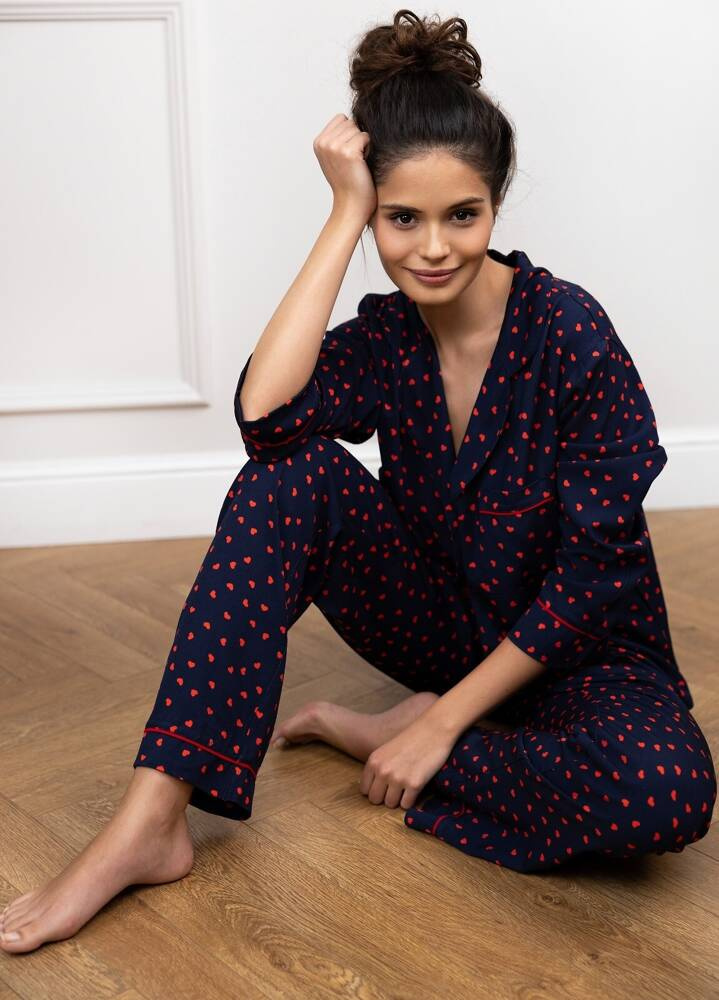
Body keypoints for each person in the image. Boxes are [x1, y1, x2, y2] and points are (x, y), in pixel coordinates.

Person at [1, 8, 715, 955]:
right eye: (399, 218)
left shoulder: (569, 332)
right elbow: (265, 420)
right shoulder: (386, 336)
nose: (433, 248)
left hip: (580, 656)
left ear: (496, 204)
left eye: (461, 215)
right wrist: (341, 214)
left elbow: (593, 581)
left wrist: (441, 724)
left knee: (662, 794)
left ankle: (410, 737)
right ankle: (150, 820)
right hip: (443, 626)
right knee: (283, 481)